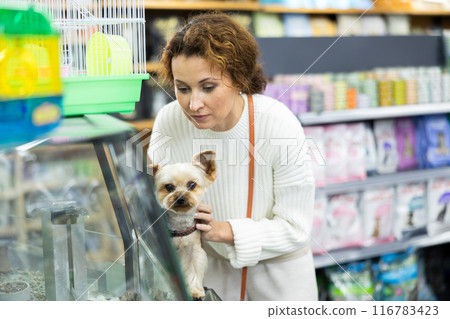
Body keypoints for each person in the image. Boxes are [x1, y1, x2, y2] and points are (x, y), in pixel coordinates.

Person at [148, 12, 317, 301]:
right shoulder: (169, 120)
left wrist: (224, 230)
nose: (193, 103)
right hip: (204, 275)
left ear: (238, 77)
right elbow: (152, 203)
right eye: (182, 88)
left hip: (279, 282)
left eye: (208, 87)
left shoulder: (277, 123)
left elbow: (296, 227)